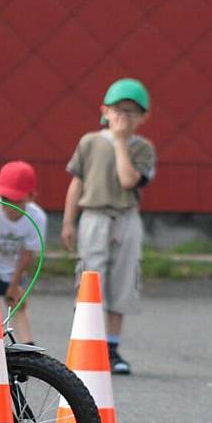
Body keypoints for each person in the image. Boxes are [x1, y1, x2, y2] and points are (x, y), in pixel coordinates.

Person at [61, 78, 156, 375]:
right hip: (94, 217)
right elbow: (77, 183)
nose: (124, 117)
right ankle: (85, 344)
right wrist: (68, 221)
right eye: (118, 110)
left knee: (122, 282)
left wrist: (119, 142)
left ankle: (112, 349)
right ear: (105, 110)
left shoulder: (143, 149)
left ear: (143, 117)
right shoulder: (89, 142)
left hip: (126, 219)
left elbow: (129, 180)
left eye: (132, 112)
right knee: (91, 279)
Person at [0, 161, 47, 346]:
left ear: (31, 197)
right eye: (4, 199)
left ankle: (27, 345)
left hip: (14, 269)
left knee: (17, 302)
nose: (8, 206)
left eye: (15, 200)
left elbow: (27, 253)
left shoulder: (37, 217)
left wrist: (14, 284)